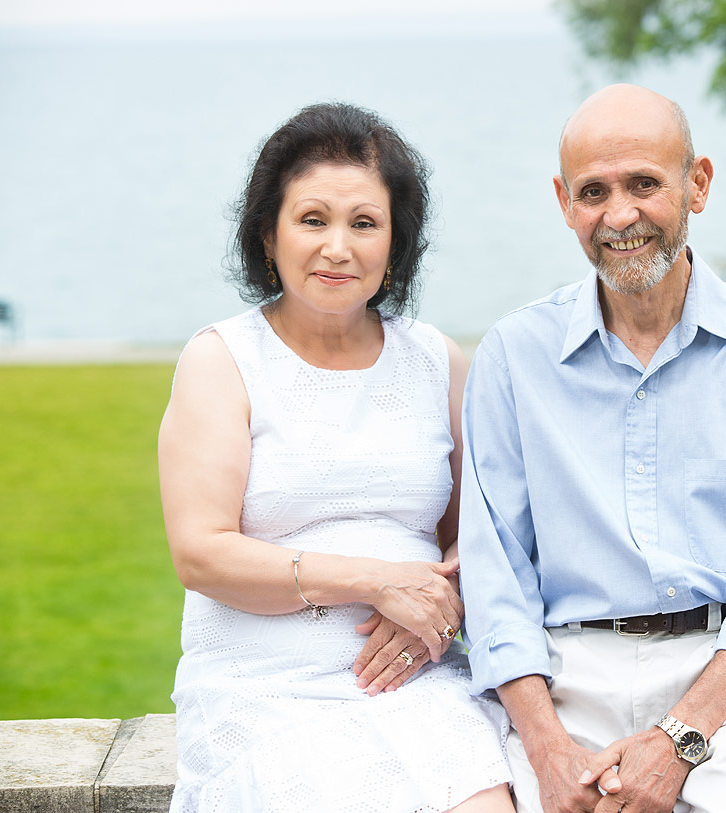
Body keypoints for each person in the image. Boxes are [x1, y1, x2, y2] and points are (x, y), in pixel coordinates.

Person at [457, 84, 726, 813]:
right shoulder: (514, 355)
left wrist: (677, 739)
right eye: (593, 191)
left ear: (697, 183)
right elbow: (496, 576)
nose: (620, 215)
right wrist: (546, 749)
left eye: (645, 183)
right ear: (564, 202)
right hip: (561, 678)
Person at [159, 103, 513, 813]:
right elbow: (201, 553)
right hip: (263, 692)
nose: (337, 247)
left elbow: (476, 535)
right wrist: (376, 582)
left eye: (364, 223)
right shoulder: (221, 359)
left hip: (415, 681)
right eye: (312, 219)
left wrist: (436, 612)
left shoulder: (436, 359)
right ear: (269, 233)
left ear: (395, 242)